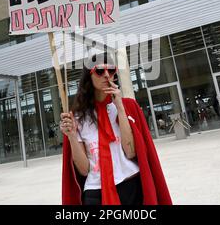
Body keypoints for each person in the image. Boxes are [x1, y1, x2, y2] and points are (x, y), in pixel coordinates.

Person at [61, 52, 172, 205]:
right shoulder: (78, 117)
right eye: (100, 71)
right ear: (89, 76)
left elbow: (131, 151)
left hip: (131, 185)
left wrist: (119, 107)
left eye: (111, 70)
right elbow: (84, 170)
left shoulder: (128, 106)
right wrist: (72, 136)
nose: (106, 75)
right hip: (96, 192)